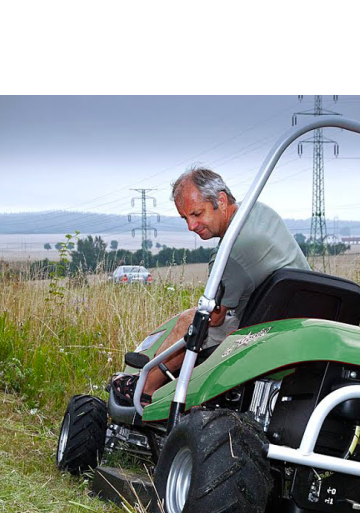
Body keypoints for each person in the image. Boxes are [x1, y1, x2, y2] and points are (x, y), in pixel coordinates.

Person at [112, 167, 309, 404]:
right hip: (298, 318)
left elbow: (213, 318)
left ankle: (144, 388)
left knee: (191, 321)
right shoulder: (259, 211)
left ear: (221, 200)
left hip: (262, 331)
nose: (191, 226)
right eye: (185, 218)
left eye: (197, 213)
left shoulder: (230, 254)